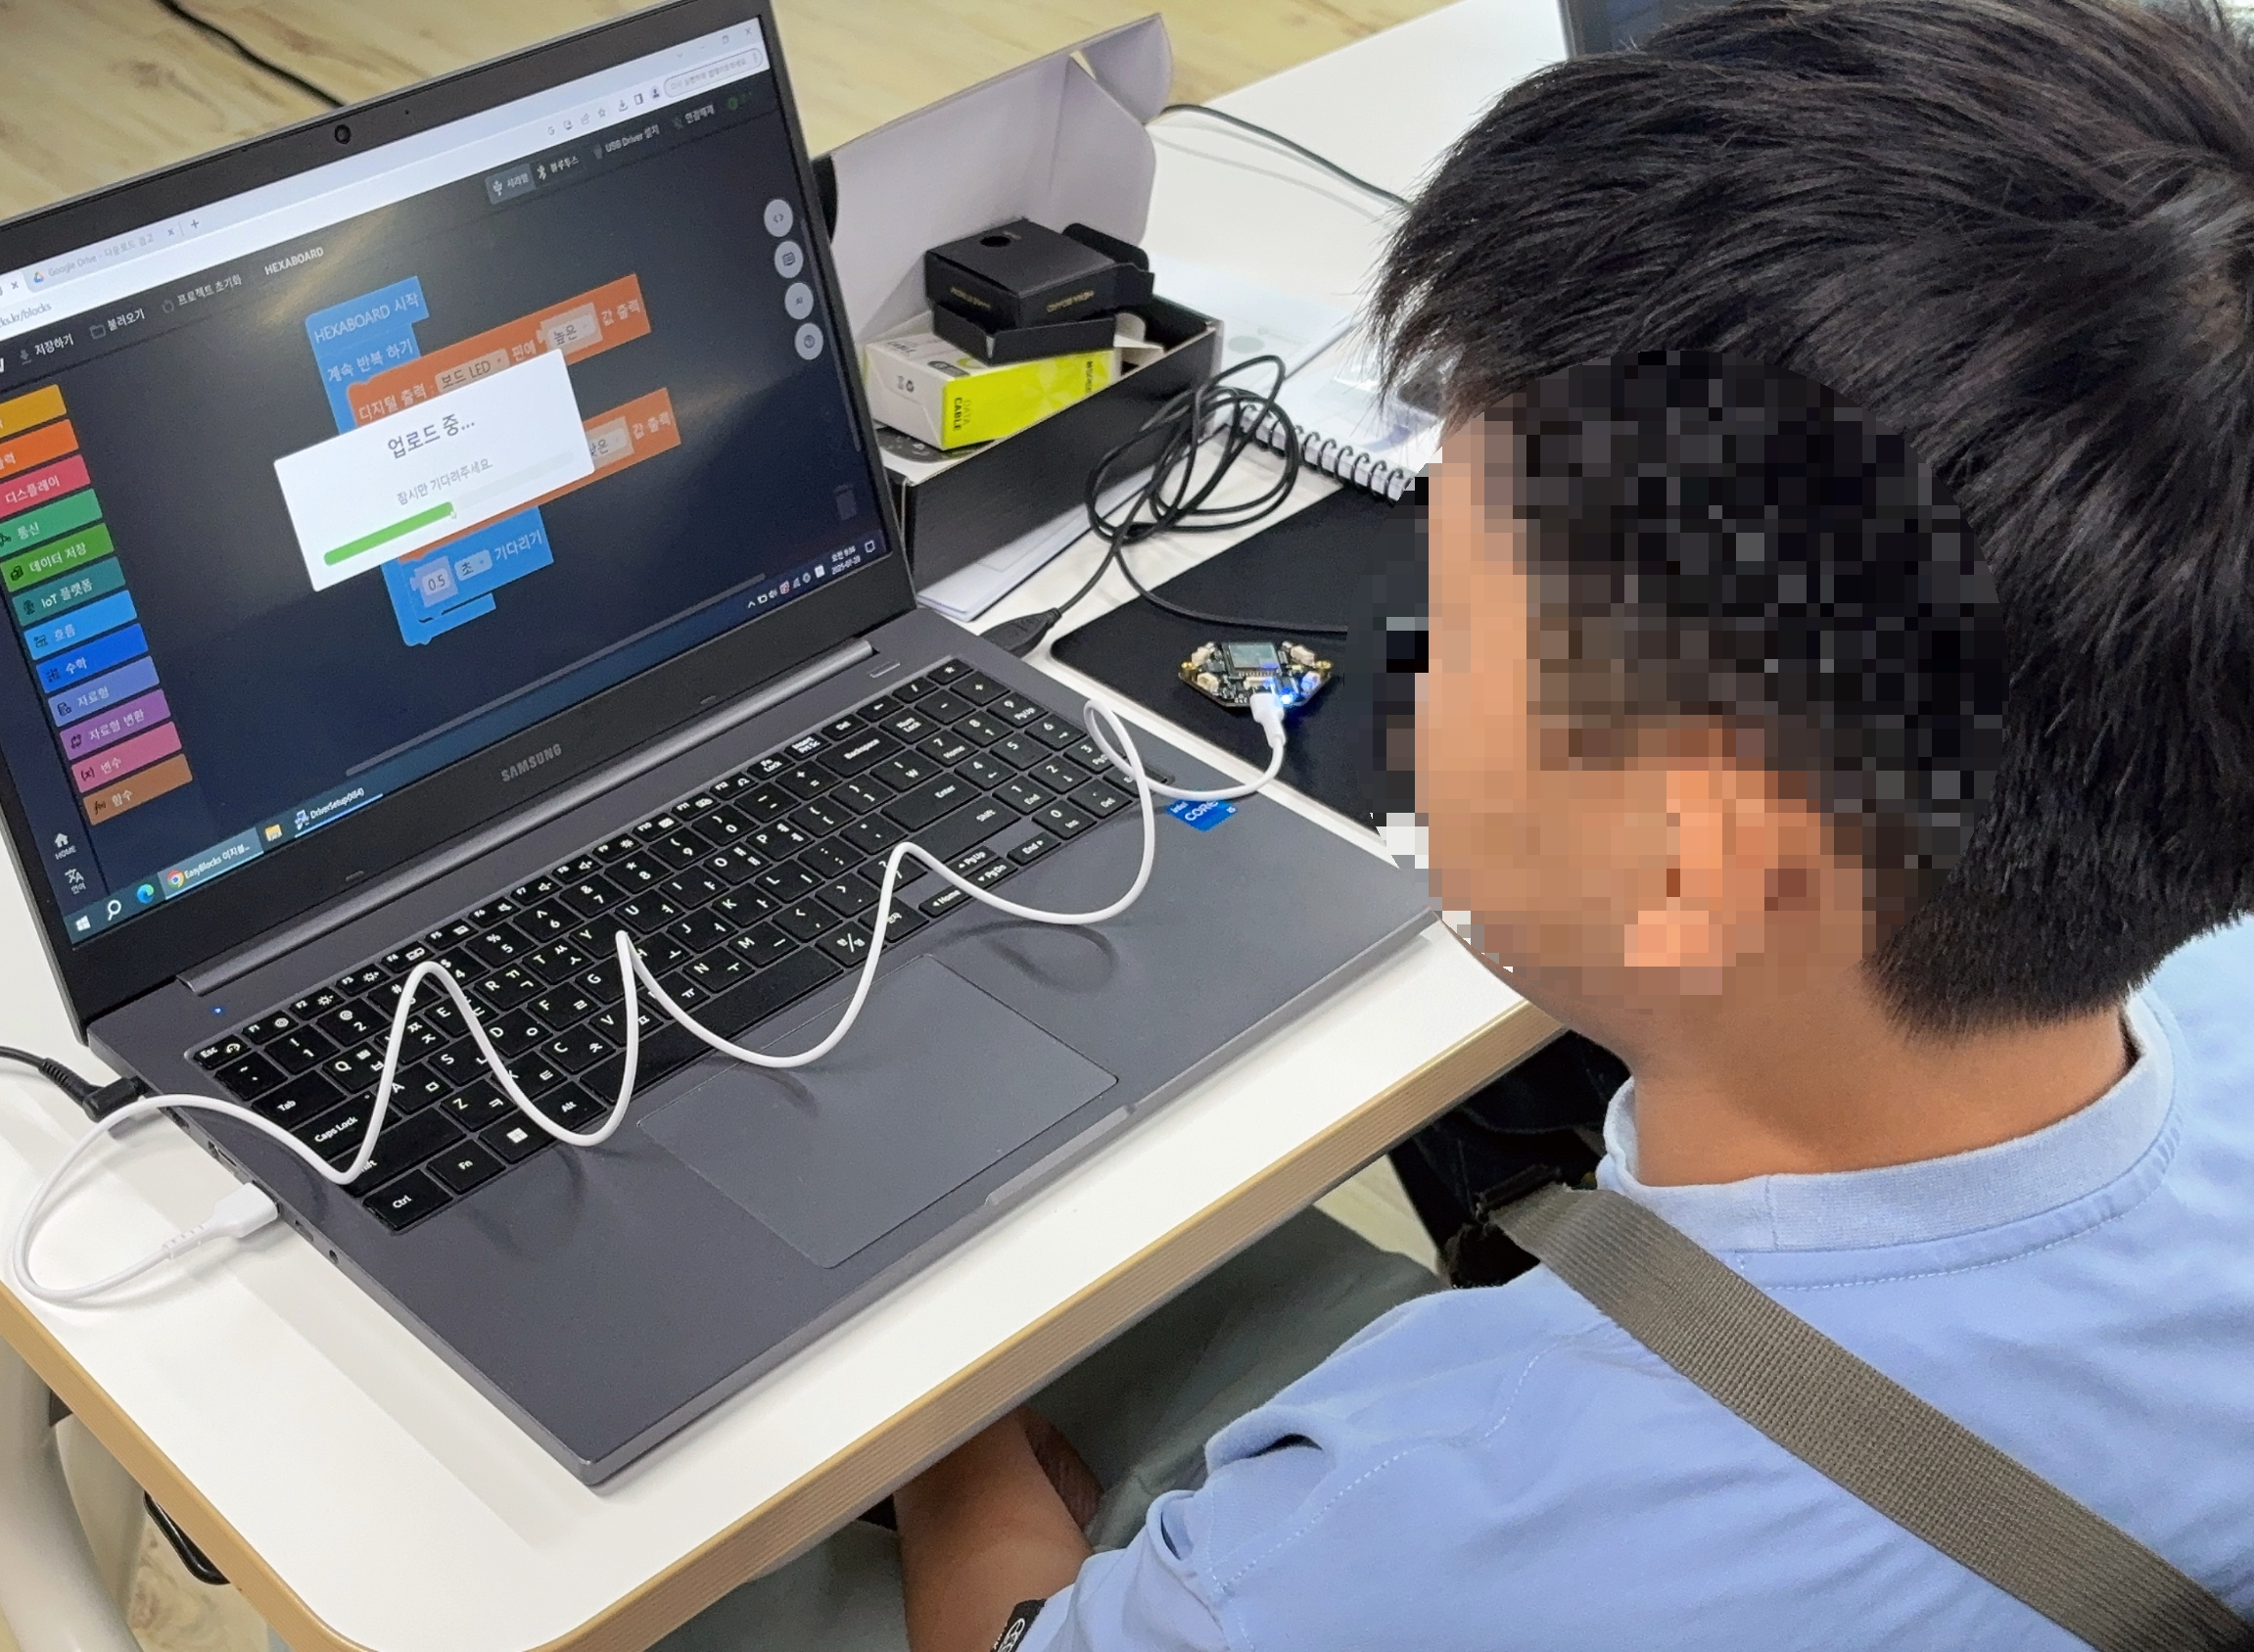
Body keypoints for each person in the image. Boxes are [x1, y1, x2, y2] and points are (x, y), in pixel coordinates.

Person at [659, 0, 2254, 1645]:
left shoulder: (1398, 1538)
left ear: (1688, 855)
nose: (1408, 657)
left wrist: (942, 1417)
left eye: (1452, 611)